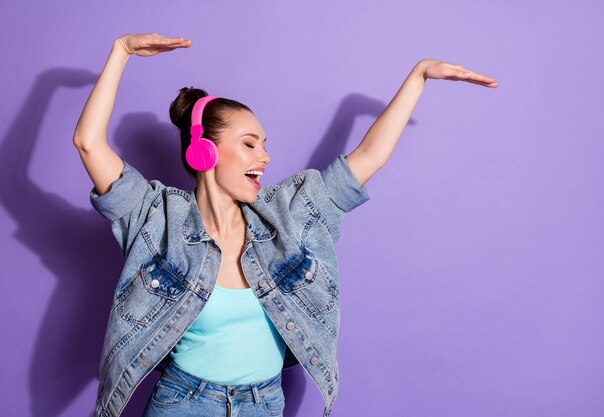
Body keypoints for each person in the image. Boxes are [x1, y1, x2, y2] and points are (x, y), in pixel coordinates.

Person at [73, 33, 498, 417]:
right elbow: (88, 143)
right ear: (205, 152)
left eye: (265, 144)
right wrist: (121, 51)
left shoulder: (288, 214)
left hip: (264, 403)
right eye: (249, 144)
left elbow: (369, 157)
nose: (265, 157)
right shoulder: (156, 217)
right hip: (183, 403)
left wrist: (419, 75)